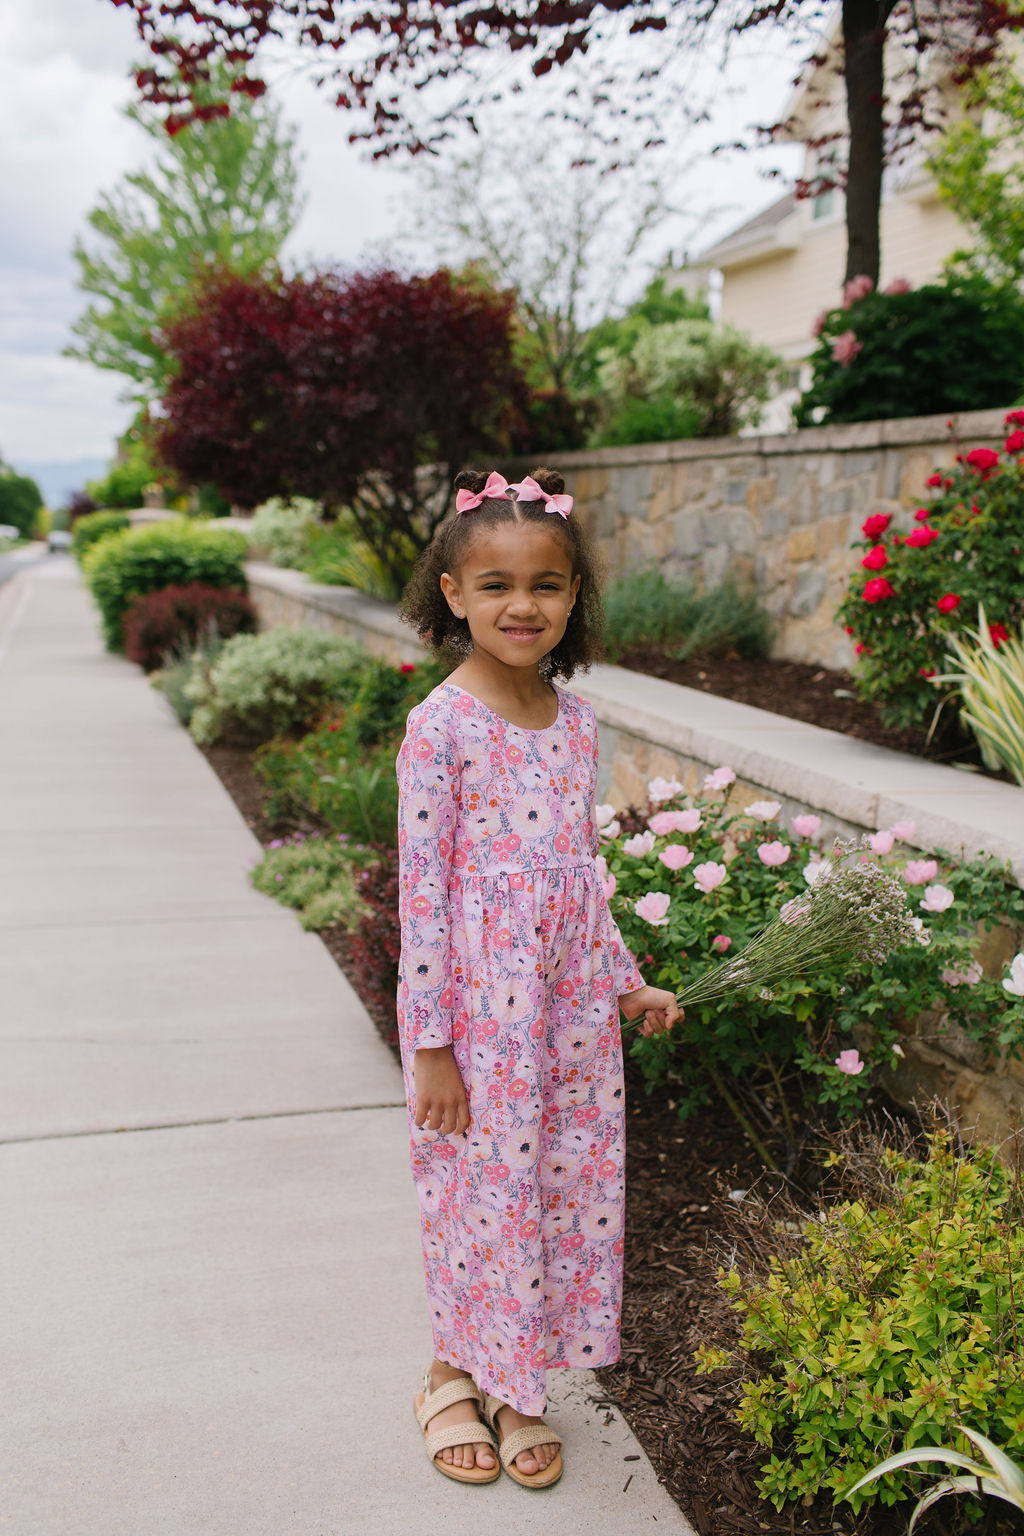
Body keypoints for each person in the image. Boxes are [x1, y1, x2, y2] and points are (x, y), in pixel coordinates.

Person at [395, 466, 680, 1489]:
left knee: (557, 1192)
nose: (523, 605)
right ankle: (451, 1373)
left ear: (574, 595)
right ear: (453, 595)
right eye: (497, 585)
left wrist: (626, 983)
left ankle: (520, 1388)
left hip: (567, 1019)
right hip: (479, 1025)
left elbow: (579, 878)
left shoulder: (576, 721)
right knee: (480, 1196)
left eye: (546, 585)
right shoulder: (440, 727)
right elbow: (423, 895)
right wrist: (431, 1046)